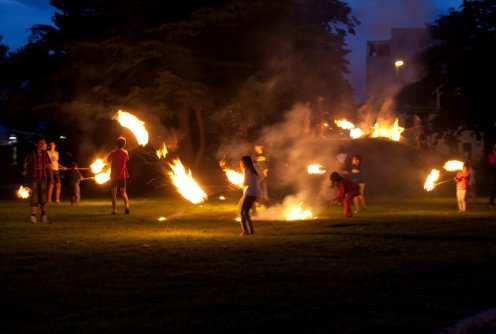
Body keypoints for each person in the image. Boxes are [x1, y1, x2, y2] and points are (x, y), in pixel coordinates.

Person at [22, 136, 53, 223]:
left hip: (43, 178)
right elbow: (25, 162)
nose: (43, 145)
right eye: (41, 143)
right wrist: (24, 169)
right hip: (34, 178)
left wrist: (51, 177)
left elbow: (48, 166)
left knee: (43, 197)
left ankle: (43, 214)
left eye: (44, 143)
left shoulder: (45, 154)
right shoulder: (31, 154)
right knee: (35, 197)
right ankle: (33, 216)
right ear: (37, 144)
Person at [107, 136, 130, 214]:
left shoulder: (113, 152)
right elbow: (127, 159)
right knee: (123, 192)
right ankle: (127, 207)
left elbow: (108, 160)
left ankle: (114, 210)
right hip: (122, 175)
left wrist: (114, 150)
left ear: (116, 144)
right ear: (124, 144)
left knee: (113, 193)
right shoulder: (125, 153)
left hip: (114, 175)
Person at [239, 155, 258, 235]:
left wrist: (239, 185)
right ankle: (251, 230)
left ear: (245, 162)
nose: (241, 163)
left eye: (242, 161)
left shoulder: (246, 169)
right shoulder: (254, 170)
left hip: (249, 193)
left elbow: (246, 182)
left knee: (242, 212)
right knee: (246, 212)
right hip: (254, 194)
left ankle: (245, 231)